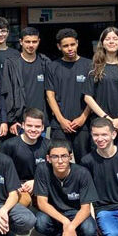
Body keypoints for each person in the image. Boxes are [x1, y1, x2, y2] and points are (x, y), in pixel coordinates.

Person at [34, 139, 99, 236]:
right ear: (48, 158)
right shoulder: (42, 170)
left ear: (70, 157)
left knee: (90, 229)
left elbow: (86, 209)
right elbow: (42, 203)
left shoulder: (82, 173)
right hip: (55, 212)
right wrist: (65, 222)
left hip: (76, 212)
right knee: (40, 222)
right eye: (55, 157)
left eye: (64, 156)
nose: (60, 161)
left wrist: (72, 226)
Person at [45, 28, 93, 162]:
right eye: (65, 46)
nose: (70, 48)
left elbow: (93, 95)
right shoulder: (52, 67)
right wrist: (61, 120)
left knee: (85, 163)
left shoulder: (89, 65)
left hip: (83, 124)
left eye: (72, 44)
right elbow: (50, 96)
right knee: (58, 162)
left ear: (77, 43)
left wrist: (83, 117)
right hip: (59, 125)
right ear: (59, 47)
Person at [2, 27, 50, 135]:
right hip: (19, 122)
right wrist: (12, 120)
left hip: (40, 122)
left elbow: (51, 93)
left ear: (39, 41)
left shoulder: (45, 63)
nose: (31, 45)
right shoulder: (11, 64)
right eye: (27, 42)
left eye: (34, 42)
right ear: (21, 42)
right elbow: (7, 94)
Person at [0, 107, 50, 207]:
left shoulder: (49, 145)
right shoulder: (9, 145)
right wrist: (16, 186)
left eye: (37, 126)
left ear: (42, 127)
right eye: (29, 125)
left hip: (41, 185)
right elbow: (1, 171)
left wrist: (36, 182)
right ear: (23, 125)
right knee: (23, 202)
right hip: (18, 187)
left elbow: (55, 171)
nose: (33, 129)